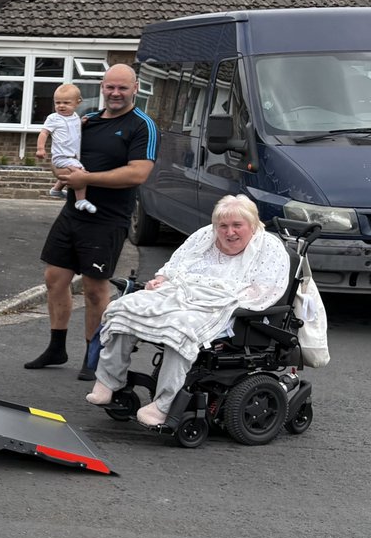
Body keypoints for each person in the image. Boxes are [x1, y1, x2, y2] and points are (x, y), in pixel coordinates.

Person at [85, 194, 290, 427]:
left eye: (237, 226)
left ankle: (164, 405)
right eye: (223, 226)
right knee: (122, 309)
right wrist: (160, 280)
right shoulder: (205, 236)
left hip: (223, 307)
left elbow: (263, 292)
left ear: (252, 225)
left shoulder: (269, 248)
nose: (229, 232)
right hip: (179, 293)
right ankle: (109, 381)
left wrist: (211, 294)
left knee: (179, 330)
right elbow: (174, 265)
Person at [25, 64, 158, 379]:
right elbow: (63, 154)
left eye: (122, 88)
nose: (115, 93)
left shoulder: (143, 126)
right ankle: (57, 347)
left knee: (95, 288)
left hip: (108, 219)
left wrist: (87, 178)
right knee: (55, 278)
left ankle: (93, 355)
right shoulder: (88, 122)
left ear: (135, 88)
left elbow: (138, 173)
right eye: (110, 87)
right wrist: (60, 170)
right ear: (102, 86)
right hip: (72, 211)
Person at [36, 83, 95, 214]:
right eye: (58, 102)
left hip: (73, 155)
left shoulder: (75, 117)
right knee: (80, 173)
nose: (61, 106)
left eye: (66, 103)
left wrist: (82, 122)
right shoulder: (53, 118)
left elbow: (74, 129)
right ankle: (81, 200)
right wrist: (40, 148)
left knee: (70, 170)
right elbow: (44, 133)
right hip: (60, 156)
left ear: (77, 102)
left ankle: (56, 190)